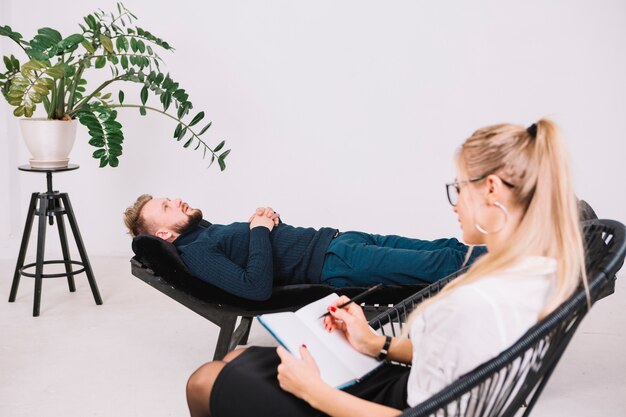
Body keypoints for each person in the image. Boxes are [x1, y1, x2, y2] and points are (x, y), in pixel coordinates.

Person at [184, 119, 588, 417]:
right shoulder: (533, 276)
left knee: (203, 380)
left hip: (401, 405)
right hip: (414, 387)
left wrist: (314, 392)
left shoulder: (476, 298)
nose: (454, 203)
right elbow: (460, 365)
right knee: (237, 360)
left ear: (493, 190)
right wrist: (375, 343)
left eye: (459, 188)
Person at [123, 197, 486, 301]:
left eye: (170, 199)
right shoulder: (196, 253)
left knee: (447, 247)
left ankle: (527, 259)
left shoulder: (206, 233)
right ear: (166, 236)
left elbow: (259, 247)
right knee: (445, 262)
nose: (178, 201)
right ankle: (536, 259)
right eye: (167, 209)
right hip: (335, 263)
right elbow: (255, 286)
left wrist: (265, 223)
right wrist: (260, 231)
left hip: (341, 240)